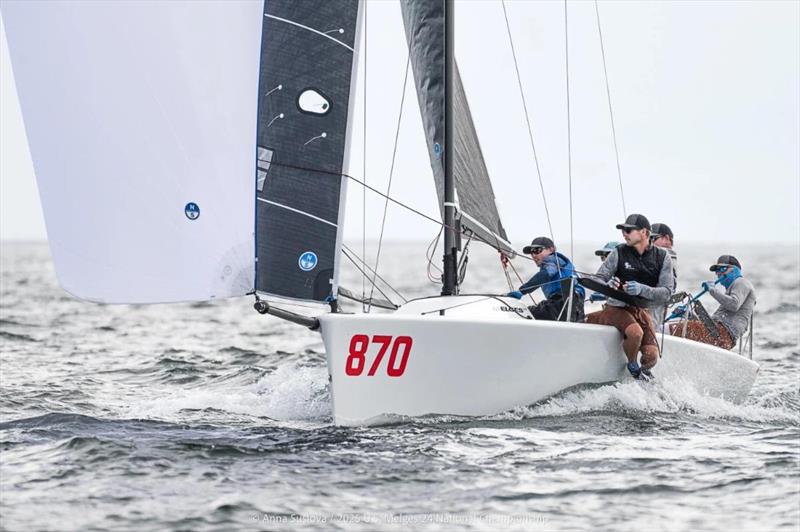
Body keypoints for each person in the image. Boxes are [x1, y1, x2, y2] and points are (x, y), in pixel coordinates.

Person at [585, 214, 674, 379]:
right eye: (623, 230)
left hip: (642, 309)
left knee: (652, 356)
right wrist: (607, 284)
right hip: (616, 307)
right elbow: (598, 278)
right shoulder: (619, 252)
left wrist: (642, 289)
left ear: (644, 232)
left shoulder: (662, 257)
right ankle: (631, 365)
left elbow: (667, 292)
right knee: (635, 333)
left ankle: (644, 375)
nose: (624, 233)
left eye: (628, 230)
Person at [669, 255, 756, 350]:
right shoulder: (732, 289)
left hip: (723, 335)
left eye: (722, 269)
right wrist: (689, 315)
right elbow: (710, 326)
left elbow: (734, 305)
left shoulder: (741, 282)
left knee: (672, 329)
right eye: (716, 271)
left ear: (735, 270)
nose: (718, 273)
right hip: (717, 334)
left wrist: (712, 290)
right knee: (682, 325)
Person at [507, 236, 585, 322]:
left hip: (563, 303)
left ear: (551, 249)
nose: (533, 255)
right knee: (529, 311)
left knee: (523, 313)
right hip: (571, 306)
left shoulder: (553, 260)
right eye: (531, 252)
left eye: (537, 250)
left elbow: (545, 275)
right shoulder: (557, 262)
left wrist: (522, 291)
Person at [649, 223, 677, 328]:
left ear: (666, 238)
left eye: (652, 238)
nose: (648, 242)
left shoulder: (664, 255)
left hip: (655, 304)